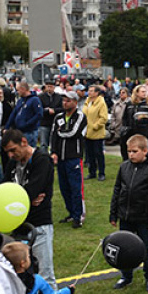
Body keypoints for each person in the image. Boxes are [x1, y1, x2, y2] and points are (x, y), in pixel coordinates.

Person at [2, 129, 61, 294]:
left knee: (44, 270)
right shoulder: (12, 164)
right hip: (18, 224)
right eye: (8, 152)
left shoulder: (42, 160)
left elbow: (32, 191)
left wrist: (22, 198)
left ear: (24, 141)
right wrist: (23, 199)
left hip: (40, 223)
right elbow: (5, 189)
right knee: (22, 270)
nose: (11, 155)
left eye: (13, 150)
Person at [110, 135, 148, 291]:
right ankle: (126, 276)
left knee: (146, 247)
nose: (131, 155)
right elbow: (117, 190)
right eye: (129, 151)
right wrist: (113, 213)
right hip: (125, 216)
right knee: (124, 247)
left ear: (145, 151)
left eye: (134, 151)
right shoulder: (124, 167)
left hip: (143, 217)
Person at [51, 91, 87, 228]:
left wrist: (60, 132)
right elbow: (53, 135)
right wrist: (54, 152)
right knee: (64, 187)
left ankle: (78, 216)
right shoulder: (58, 117)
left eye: (68, 101)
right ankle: (71, 212)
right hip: (61, 158)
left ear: (75, 102)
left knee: (75, 187)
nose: (65, 103)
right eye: (63, 100)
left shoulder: (80, 116)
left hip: (74, 157)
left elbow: (73, 132)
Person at [82, 85, 108, 181]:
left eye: (92, 91)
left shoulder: (101, 103)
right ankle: (92, 172)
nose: (89, 92)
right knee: (89, 154)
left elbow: (103, 118)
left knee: (98, 154)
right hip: (87, 132)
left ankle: (101, 173)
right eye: (89, 90)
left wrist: (95, 126)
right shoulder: (87, 101)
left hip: (97, 133)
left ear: (97, 93)